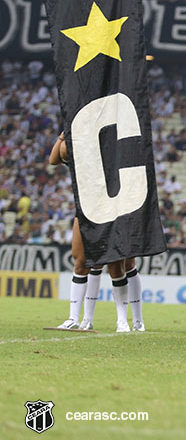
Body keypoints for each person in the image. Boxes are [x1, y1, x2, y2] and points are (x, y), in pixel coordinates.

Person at [50, 133, 140, 333]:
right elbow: (54, 159)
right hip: (85, 212)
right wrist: (62, 136)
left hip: (112, 212)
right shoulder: (80, 152)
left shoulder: (112, 153)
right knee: (81, 264)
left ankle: (122, 321)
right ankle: (74, 317)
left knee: (117, 267)